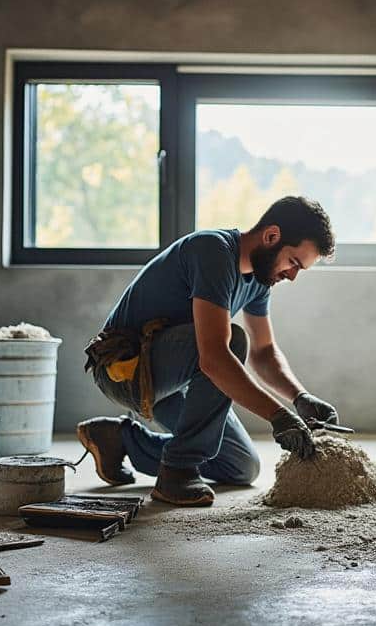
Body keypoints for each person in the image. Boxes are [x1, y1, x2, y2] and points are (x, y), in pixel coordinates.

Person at [77, 196, 341, 507]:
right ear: (271, 236)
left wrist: (300, 398)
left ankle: (119, 440)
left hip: (174, 377)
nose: (292, 275)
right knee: (231, 342)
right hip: (126, 370)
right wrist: (279, 417)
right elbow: (214, 357)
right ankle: (177, 472)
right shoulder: (213, 251)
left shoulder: (259, 280)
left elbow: (265, 352)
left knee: (242, 465)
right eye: (293, 262)